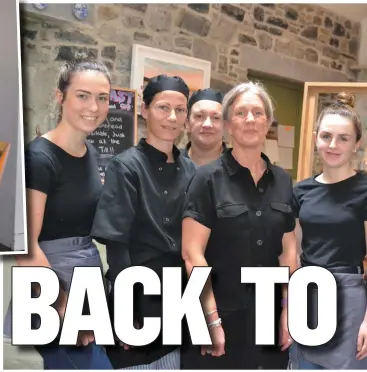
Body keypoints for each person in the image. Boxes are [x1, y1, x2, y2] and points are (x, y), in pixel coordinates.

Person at [3, 59, 113, 369]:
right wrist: (65, 307)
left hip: (85, 286)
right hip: (53, 292)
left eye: (102, 97)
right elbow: (25, 247)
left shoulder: (90, 153)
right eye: (82, 95)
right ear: (60, 97)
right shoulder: (39, 158)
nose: (94, 106)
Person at [180, 81, 298, 369]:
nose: (249, 119)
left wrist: (287, 311)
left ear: (267, 123)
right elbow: (192, 253)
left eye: (257, 113)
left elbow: (289, 253)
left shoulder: (283, 180)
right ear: (228, 125)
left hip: (268, 320)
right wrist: (209, 319)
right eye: (241, 112)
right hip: (220, 315)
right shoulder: (207, 179)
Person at [90, 74, 197, 369]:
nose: (172, 117)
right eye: (163, 108)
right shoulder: (126, 166)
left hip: (178, 299)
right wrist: (126, 309)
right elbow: (116, 242)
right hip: (136, 293)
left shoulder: (192, 171)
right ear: (145, 110)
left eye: (180, 110)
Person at [290, 92, 367, 369]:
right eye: (326, 136)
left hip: (349, 298)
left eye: (343, 138)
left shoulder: (364, 190)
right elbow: (295, 250)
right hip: (307, 293)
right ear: (315, 138)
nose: (333, 145)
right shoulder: (301, 191)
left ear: (356, 144)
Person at [181, 88, 226, 166]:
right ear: (187, 123)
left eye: (216, 118)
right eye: (199, 116)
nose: (207, 124)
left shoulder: (240, 166)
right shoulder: (170, 164)